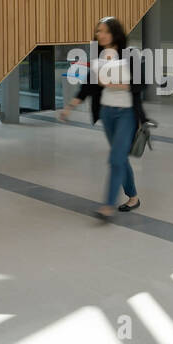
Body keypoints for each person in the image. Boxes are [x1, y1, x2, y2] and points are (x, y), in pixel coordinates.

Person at [57, 16, 150, 220]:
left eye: (105, 31)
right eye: (98, 31)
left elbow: (142, 83)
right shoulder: (98, 57)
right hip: (107, 114)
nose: (100, 35)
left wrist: (114, 85)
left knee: (116, 158)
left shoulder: (130, 56)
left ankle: (108, 205)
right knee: (120, 158)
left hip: (127, 114)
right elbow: (88, 87)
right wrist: (70, 107)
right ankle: (133, 197)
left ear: (115, 33)